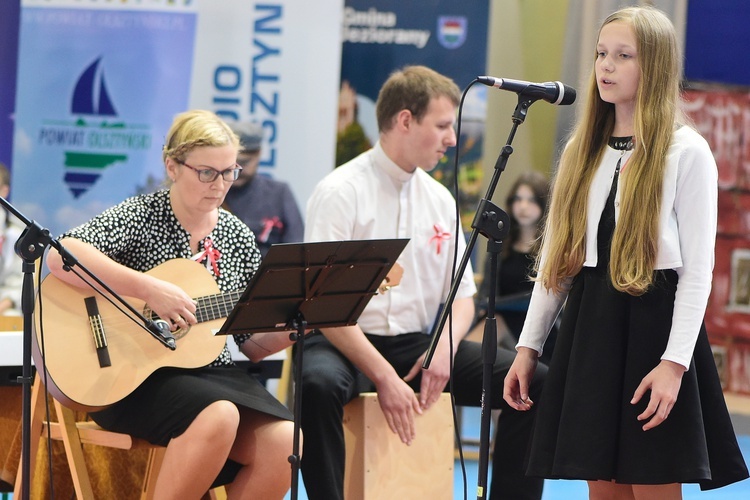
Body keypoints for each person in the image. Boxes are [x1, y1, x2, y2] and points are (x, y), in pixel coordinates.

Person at [503, 6, 749, 499]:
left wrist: (674, 364)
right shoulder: (582, 150)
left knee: (654, 481)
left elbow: (698, 271)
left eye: (623, 56)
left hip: (655, 331)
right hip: (591, 330)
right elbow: (557, 266)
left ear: (653, 66)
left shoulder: (687, 151)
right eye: (600, 54)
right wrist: (527, 349)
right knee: (602, 486)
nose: (606, 66)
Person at [300, 65, 546, 500]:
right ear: (405, 121)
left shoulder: (440, 199)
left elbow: (464, 297)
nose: (453, 139)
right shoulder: (340, 191)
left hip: (418, 346)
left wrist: (445, 352)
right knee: (317, 385)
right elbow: (323, 307)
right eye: (443, 125)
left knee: (533, 382)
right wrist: (384, 376)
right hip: (344, 341)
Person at [45, 109, 299, 499]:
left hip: (212, 375)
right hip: (132, 375)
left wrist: (292, 328)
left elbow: (250, 342)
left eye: (229, 171)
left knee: (285, 441)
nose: (220, 184)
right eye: (207, 172)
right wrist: (149, 290)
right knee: (219, 414)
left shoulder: (236, 235)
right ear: (173, 165)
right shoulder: (143, 215)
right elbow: (59, 256)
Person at [475, 171, 557, 365]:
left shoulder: (551, 248)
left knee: (498, 319)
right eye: (518, 199)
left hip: (541, 326)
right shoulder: (501, 245)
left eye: (531, 200)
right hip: (499, 318)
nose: (523, 207)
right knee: (492, 320)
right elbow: (487, 291)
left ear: (543, 204)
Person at [222, 121, 304, 257]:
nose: (239, 169)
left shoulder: (279, 194)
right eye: (234, 162)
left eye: (245, 162)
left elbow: (297, 251)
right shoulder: (213, 192)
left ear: (259, 154)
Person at [0, 162, 22, 316]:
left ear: (4, 191)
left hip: (2, 307)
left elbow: (18, 285)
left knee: (11, 315)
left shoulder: (16, 234)